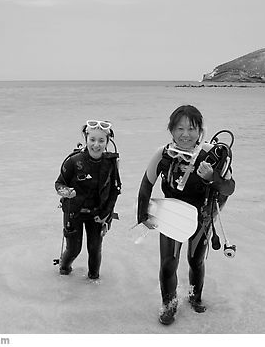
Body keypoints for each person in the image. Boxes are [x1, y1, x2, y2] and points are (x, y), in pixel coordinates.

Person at [137, 105, 235, 325]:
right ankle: (169, 306)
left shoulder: (213, 155)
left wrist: (212, 177)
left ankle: (195, 297)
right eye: (179, 128)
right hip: (171, 214)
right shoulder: (163, 154)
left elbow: (229, 188)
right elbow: (146, 185)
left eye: (191, 128)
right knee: (168, 263)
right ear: (171, 130)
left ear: (200, 130)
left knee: (195, 260)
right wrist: (142, 215)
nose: (185, 134)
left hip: (202, 216)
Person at [54, 120, 121, 279]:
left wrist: (106, 214)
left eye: (101, 140)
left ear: (107, 141)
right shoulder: (73, 161)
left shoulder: (111, 163)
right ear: (86, 139)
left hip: (97, 213)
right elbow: (59, 184)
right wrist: (66, 192)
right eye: (92, 140)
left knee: (94, 249)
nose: (96, 145)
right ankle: (63, 271)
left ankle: (94, 281)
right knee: (74, 249)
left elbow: (115, 190)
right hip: (74, 211)